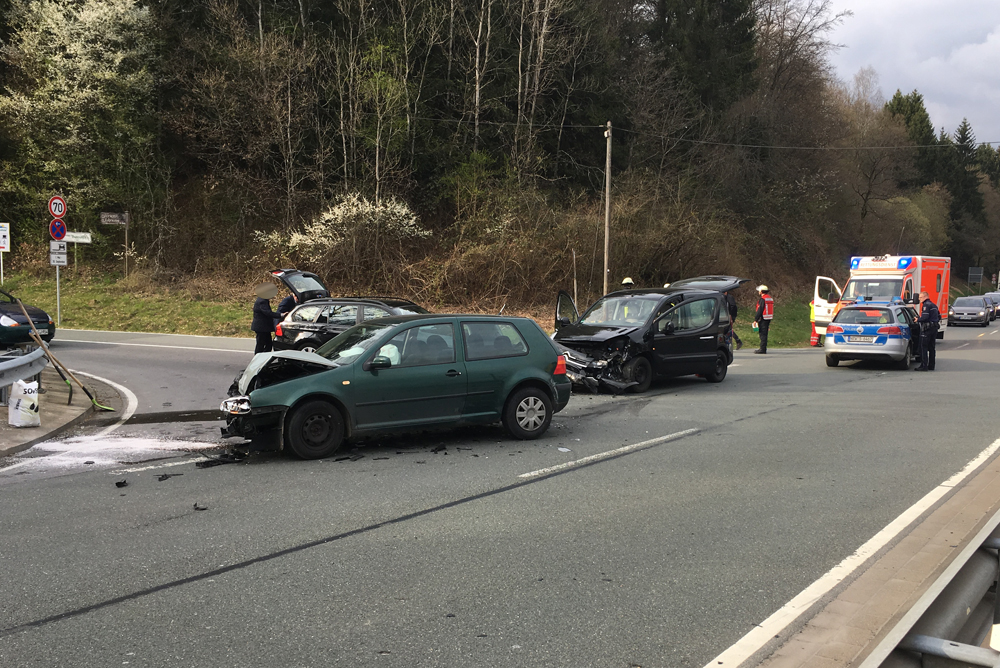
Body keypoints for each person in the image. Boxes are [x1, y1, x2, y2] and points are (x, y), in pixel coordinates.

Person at [251, 283, 282, 354]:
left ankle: (263, 358)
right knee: (261, 345)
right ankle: (258, 358)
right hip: (261, 327)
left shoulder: (263, 299)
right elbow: (268, 313)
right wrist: (280, 315)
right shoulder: (262, 301)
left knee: (268, 344)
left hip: (264, 328)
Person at [914, 290, 940, 371]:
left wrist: (918, 319)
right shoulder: (934, 305)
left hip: (927, 329)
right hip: (934, 328)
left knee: (923, 347)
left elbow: (925, 317)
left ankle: (924, 366)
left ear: (925, 297)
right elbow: (939, 316)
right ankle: (931, 365)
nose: (919, 299)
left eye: (921, 297)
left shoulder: (926, 305)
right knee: (932, 348)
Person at [753, 284, 774, 354]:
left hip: (763, 318)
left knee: (762, 334)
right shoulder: (770, 298)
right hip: (768, 318)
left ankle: (762, 349)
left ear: (761, 291)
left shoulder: (763, 299)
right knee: (765, 333)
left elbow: (760, 309)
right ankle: (763, 348)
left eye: (759, 291)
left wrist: (756, 319)